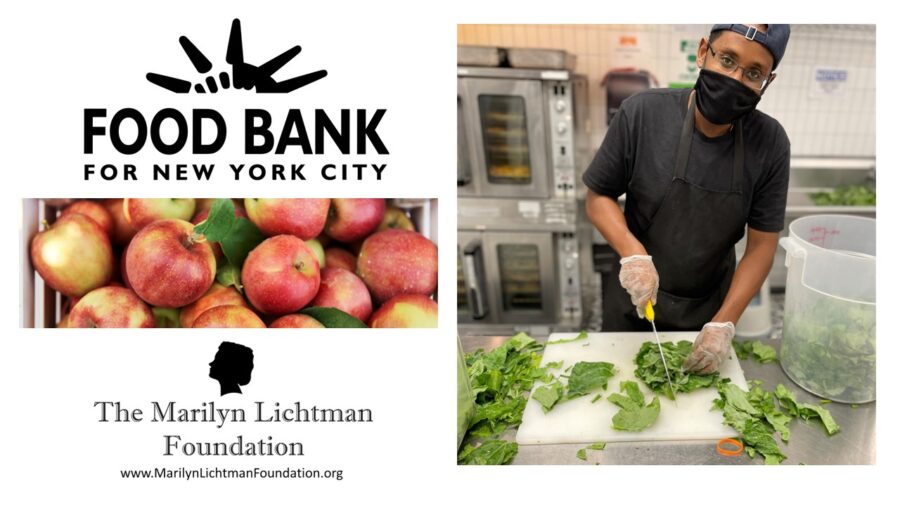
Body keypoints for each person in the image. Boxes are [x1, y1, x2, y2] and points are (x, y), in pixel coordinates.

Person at [583, 24, 791, 374]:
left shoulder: (770, 144)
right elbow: (597, 196)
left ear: (767, 81)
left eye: (753, 73)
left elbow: (761, 247)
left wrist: (723, 325)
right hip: (633, 308)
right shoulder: (642, 114)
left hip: (708, 313)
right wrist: (633, 255)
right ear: (702, 51)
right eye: (726, 60)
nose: (735, 79)